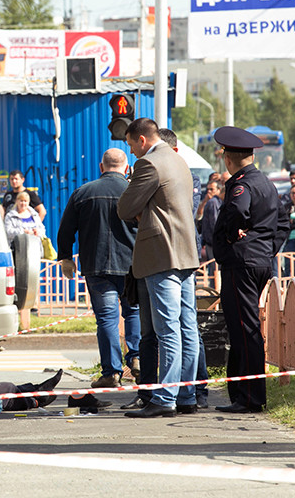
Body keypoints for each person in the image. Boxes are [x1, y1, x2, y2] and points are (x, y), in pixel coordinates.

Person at [117, 118, 200, 418]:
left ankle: (165, 398)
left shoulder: (148, 164)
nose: (131, 152)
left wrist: (139, 204)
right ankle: (187, 394)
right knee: (187, 327)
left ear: (142, 140)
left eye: (131, 145)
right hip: (185, 252)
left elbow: (125, 208)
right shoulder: (179, 160)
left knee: (167, 329)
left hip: (161, 254)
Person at [212, 126, 289, 414]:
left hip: (241, 264)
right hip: (257, 262)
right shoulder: (266, 183)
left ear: (227, 159)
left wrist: (234, 236)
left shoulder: (241, 185)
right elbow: (283, 223)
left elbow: (237, 211)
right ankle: (240, 394)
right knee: (243, 327)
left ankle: (249, 398)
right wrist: (266, 249)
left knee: (245, 329)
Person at [56, 148, 140, 389]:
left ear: (101, 167)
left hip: (96, 265)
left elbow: (66, 229)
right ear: (127, 168)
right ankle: (137, 359)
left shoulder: (83, 192)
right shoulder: (134, 191)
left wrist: (66, 258)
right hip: (132, 266)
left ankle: (111, 372)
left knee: (106, 320)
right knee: (134, 312)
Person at [200, 180, 223, 264]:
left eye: (211, 189)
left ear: (219, 190)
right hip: (213, 242)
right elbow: (214, 223)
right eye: (208, 189)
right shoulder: (213, 202)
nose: (209, 192)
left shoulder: (216, 202)